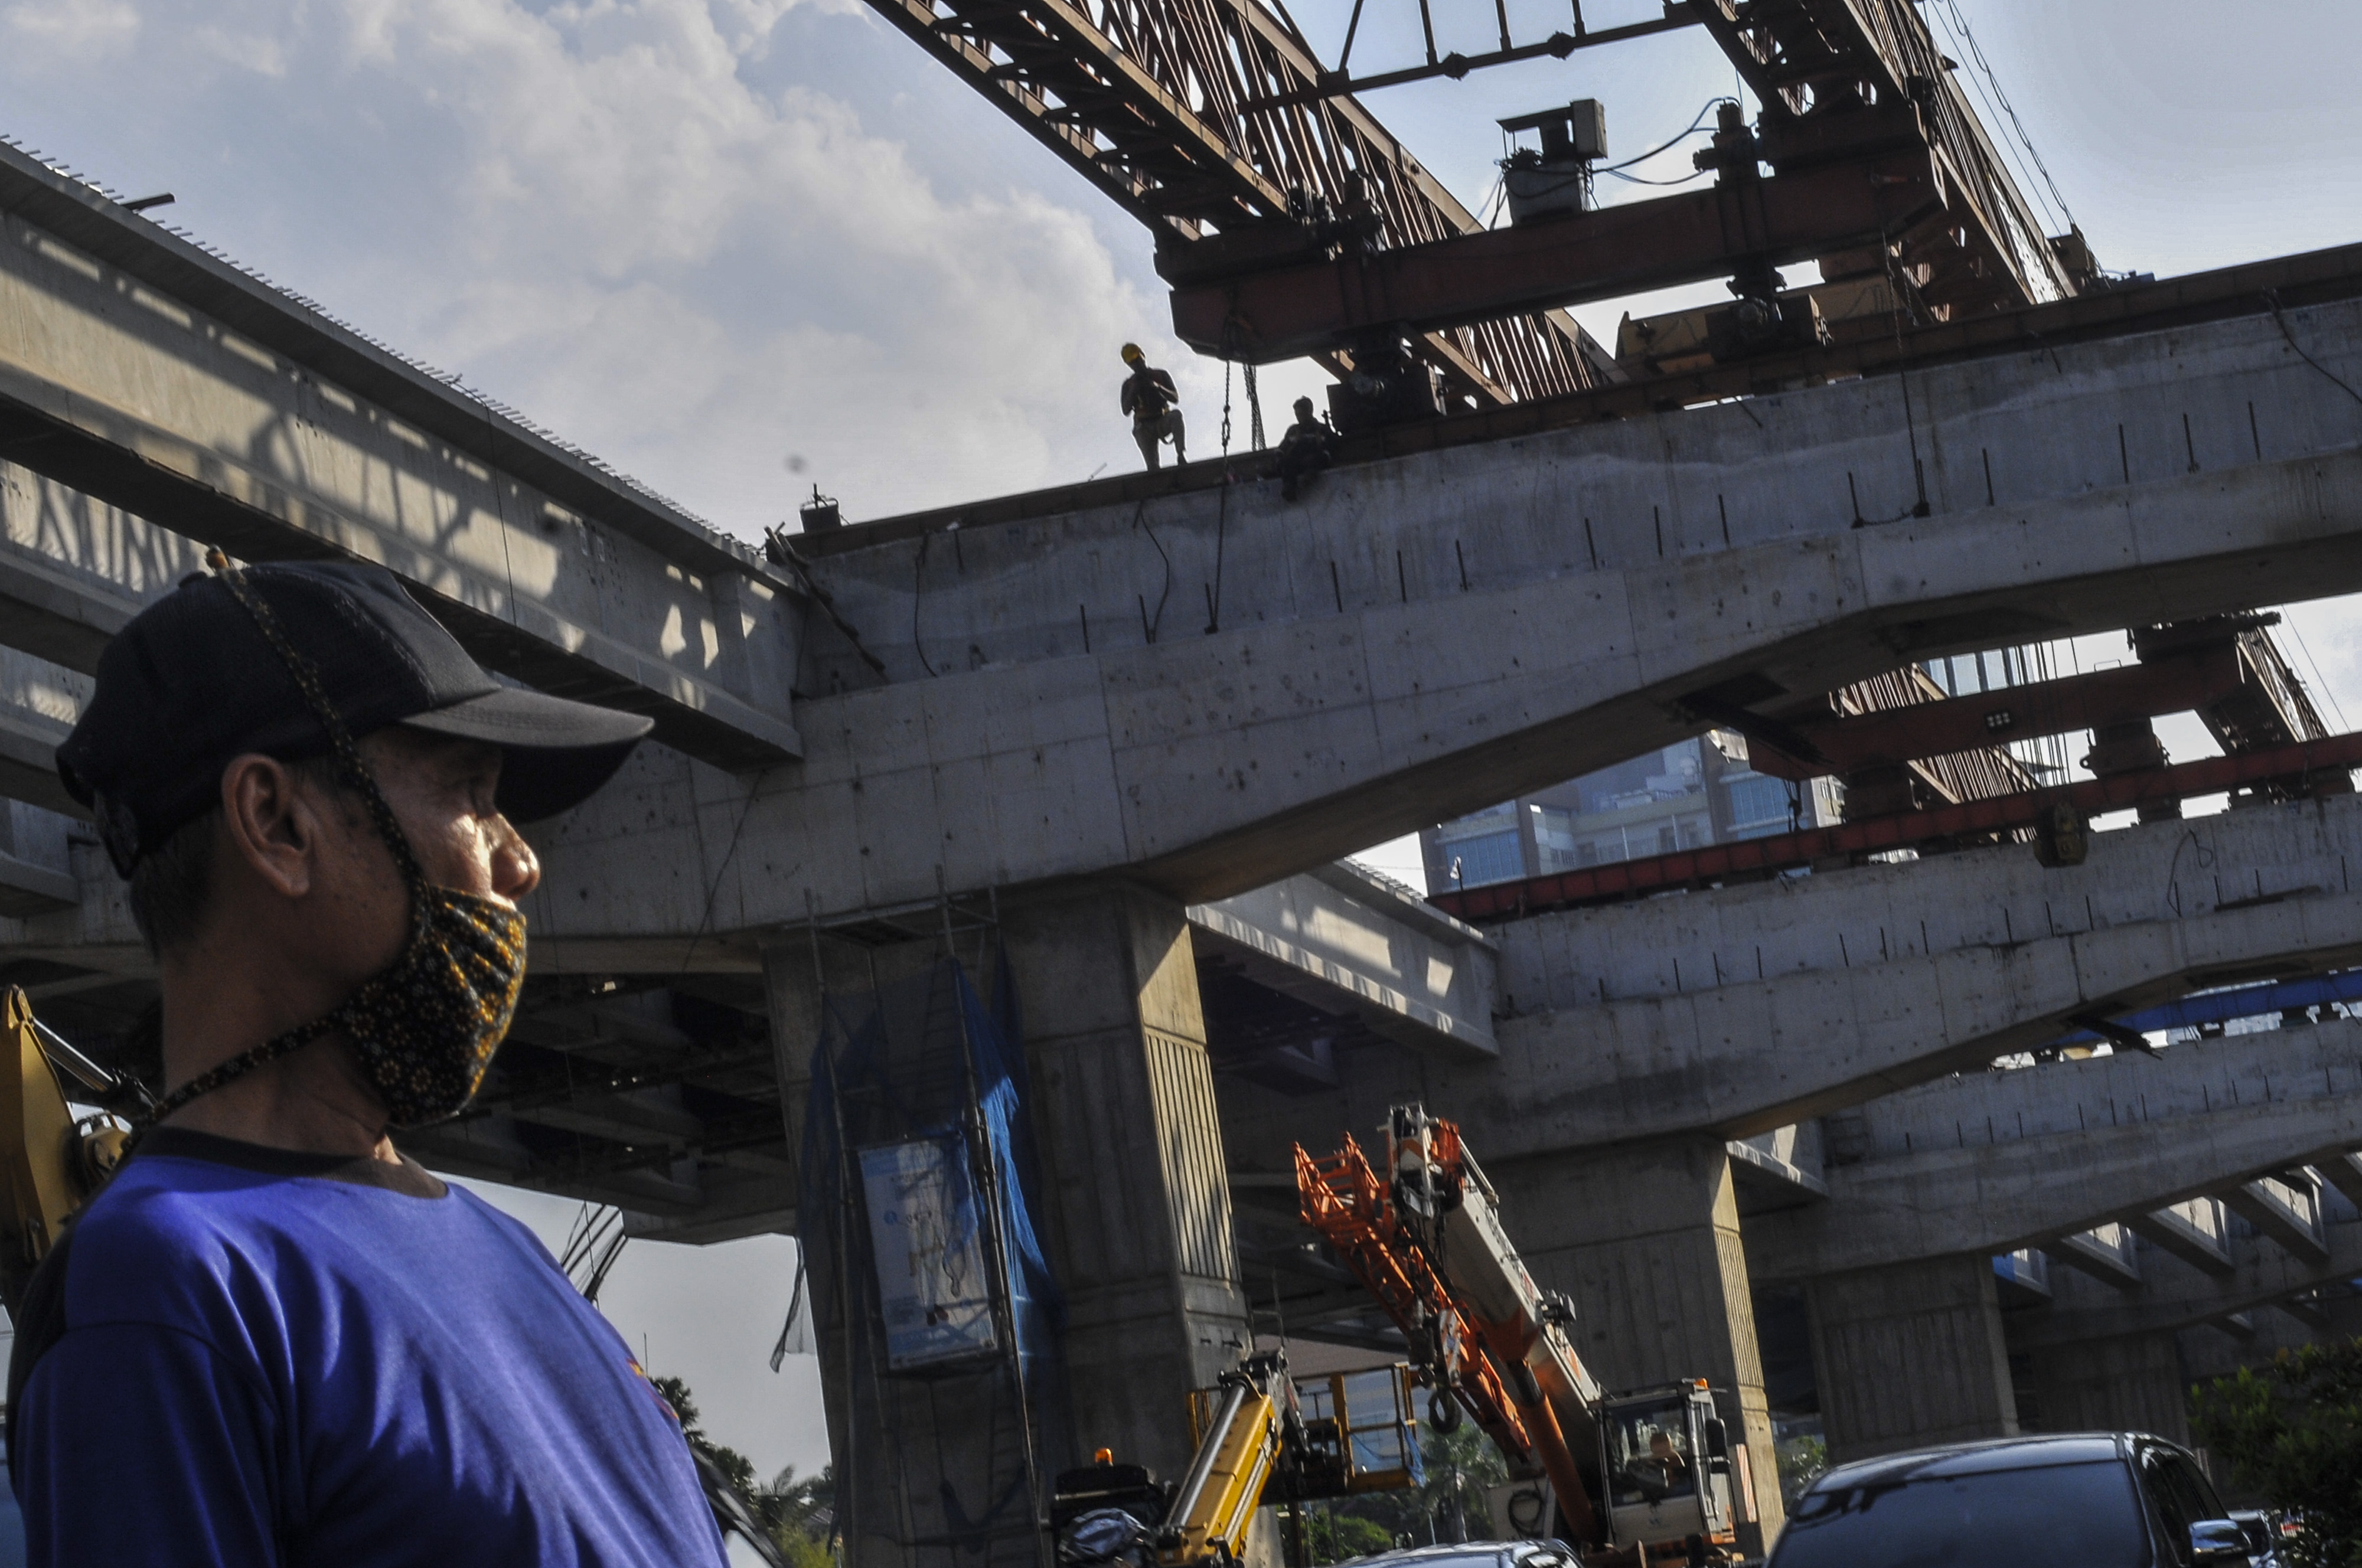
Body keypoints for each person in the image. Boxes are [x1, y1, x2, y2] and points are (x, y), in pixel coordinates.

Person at [9, 558, 727, 1567]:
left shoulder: (508, 1250)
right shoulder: (165, 1292)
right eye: (471, 794)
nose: (521, 861)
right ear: (277, 825)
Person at [1118, 342, 1186, 469]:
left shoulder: (1160, 375)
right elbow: (1126, 410)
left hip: (1162, 420)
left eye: (1138, 359)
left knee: (1176, 415)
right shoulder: (1129, 384)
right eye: (1133, 362)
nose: (1137, 364)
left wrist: (1158, 387)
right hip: (1145, 428)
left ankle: (1181, 455)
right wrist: (1134, 390)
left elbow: (1175, 398)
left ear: (1143, 356)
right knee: (1152, 467)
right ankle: (1154, 470)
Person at [1274, 396, 1335, 501]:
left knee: (1318, 458)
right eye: (1297, 414)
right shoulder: (1293, 431)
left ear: (1309, 412)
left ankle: (1309, 477)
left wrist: (1320, 443)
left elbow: (1332, 447)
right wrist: (1294, 444)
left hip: (1314, 460)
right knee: (1288, 462)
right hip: (1297, 462)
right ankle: (1289, 489)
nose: (1299, 417)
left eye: (1301, 414)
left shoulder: (1321, 429)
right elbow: (1281, 450)